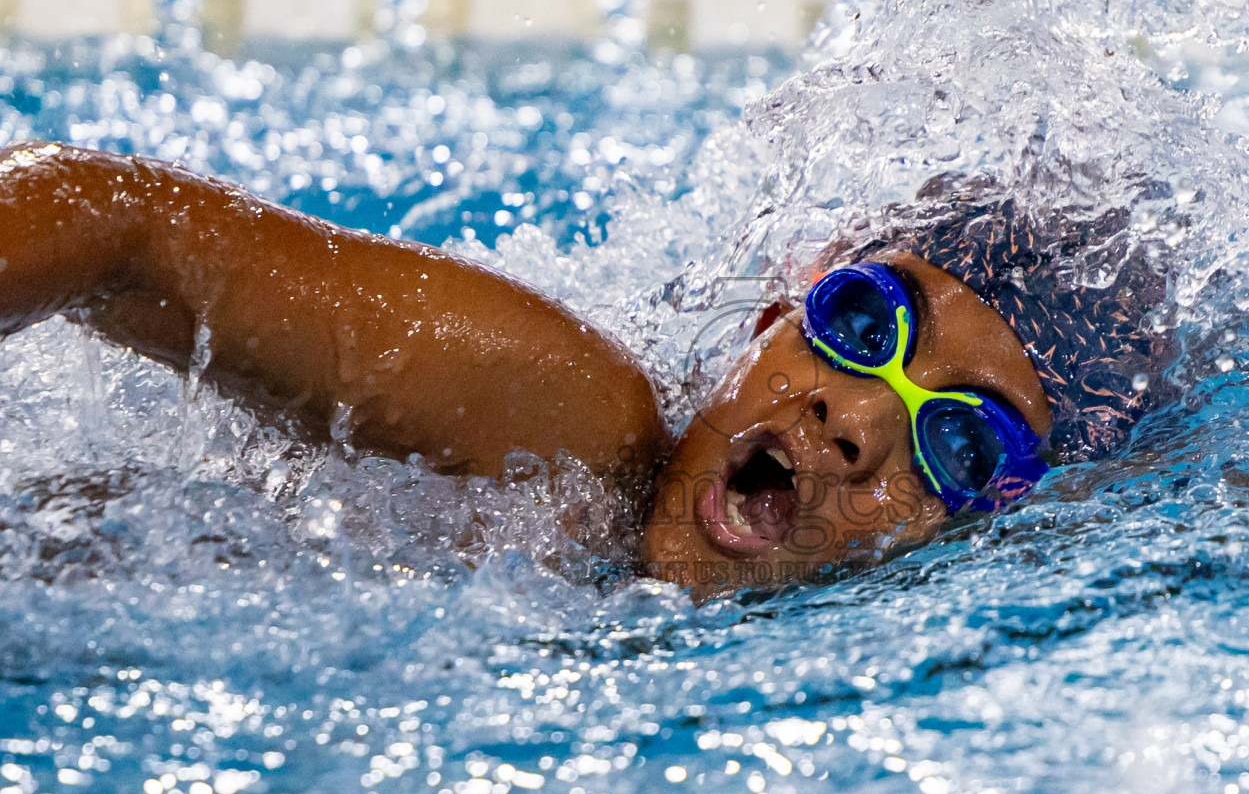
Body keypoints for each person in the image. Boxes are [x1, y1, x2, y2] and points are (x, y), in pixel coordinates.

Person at [0, 143, 1169, 595]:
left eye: (965, 441)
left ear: (1001, 529)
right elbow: (121, 224)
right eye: (866, 325)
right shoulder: (566, 420)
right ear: (775, 311)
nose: (856, 420)